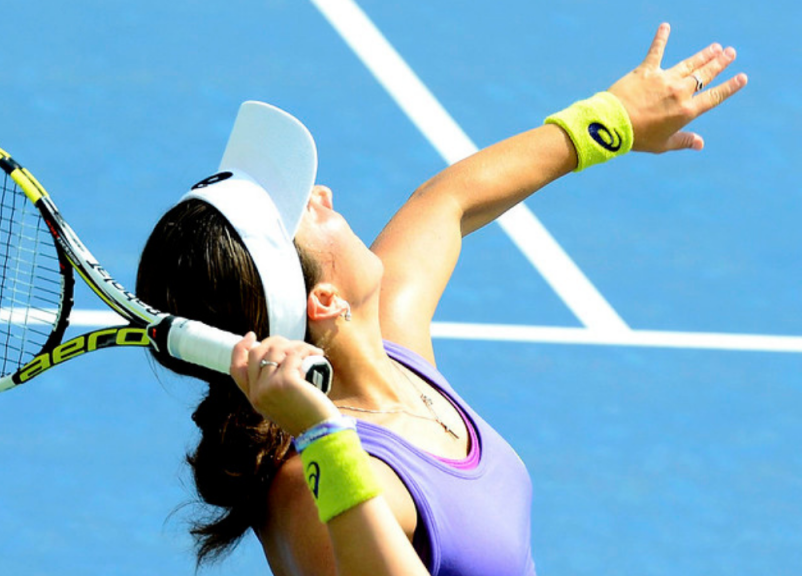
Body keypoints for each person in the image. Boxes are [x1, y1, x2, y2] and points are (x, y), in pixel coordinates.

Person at [135, 23, 747, 576]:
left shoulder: (394, 353)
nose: (321, 192)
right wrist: (323, 436)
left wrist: (613, 118)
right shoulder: (308, 491)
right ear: (323, 299)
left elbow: (447, 203)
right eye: (303, 210)